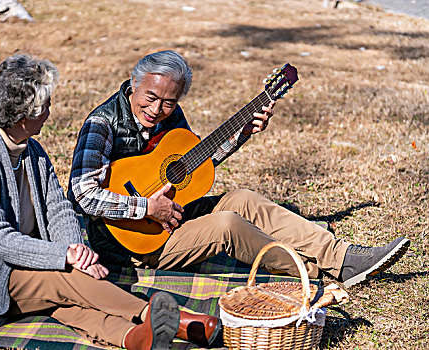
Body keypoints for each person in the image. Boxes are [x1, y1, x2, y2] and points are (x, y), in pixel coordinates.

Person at [0, 54, 220, 349]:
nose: (50, 111)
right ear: (22, 117)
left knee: (70, 297)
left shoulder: (31, 148)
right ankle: (171, 319)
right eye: (45, 106)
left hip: (29, 264)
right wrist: (65, 257)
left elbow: (59, 208)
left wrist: (78, 252)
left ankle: (135, 338)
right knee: (64, 280)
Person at [67, 50, 410, 289]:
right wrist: (146, 208)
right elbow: (82, 196)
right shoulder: (103, 123)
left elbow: (190, 168)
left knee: (242, 199)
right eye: (151, 97)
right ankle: (309, 271)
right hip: (131, 242)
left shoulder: (170, 116)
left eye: (169, 101)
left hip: (172, 215)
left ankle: (344, 257)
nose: (157, 109)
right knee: (227, 225)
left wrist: (241, 135)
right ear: (134, 82)